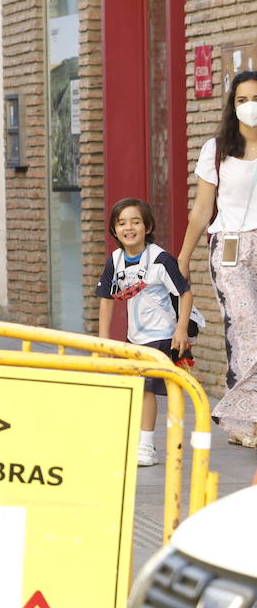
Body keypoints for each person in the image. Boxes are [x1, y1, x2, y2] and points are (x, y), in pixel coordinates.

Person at [178, 70, 257, 448]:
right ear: (232, 105)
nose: (249, 106)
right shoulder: (217, 149)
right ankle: (245, 419)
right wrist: (183, 256)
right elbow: (201, 210)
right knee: (247, 324)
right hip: (230, 247)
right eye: (241, 100)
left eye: (255, 98)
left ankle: (242, 411)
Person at [96, 198, 194, 466]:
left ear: (147, 227)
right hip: (135, 337)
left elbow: (185, 293)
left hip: (162, 336)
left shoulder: (161, 260)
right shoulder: (115, 260)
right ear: (114, 231)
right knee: (140, 388)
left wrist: (181, 329)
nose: (129, 228)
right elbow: (105, 299)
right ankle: (144, 441)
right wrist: (104, 343)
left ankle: (147, 446)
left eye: (136, 222)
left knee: (147, 388)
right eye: (122, 223)